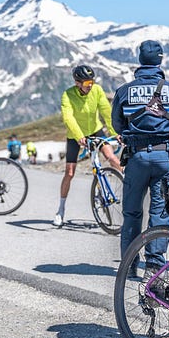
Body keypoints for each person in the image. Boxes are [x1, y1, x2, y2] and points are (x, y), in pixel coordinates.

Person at [111, 40, 169, 281]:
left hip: (136, 157)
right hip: (165, 156)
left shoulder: (124, 91)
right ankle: (155, 265)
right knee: (160, 212)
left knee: (131, 212)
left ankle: (129, 263)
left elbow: (117, 125)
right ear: (160, 60)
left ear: (140, 60)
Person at [54, 65, 121, 227]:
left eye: (91, 81)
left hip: (95, 130)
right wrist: (79, 137)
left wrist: (115, 132)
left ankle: (129, 184)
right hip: (75, 136)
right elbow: (68, 118)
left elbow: (107, 112)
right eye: (86, 83)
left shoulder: (97, 90)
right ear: (77, 83)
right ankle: (60, 210)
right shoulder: (68, 95)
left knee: (111, 157)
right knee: (69, 173)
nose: (89, 85)